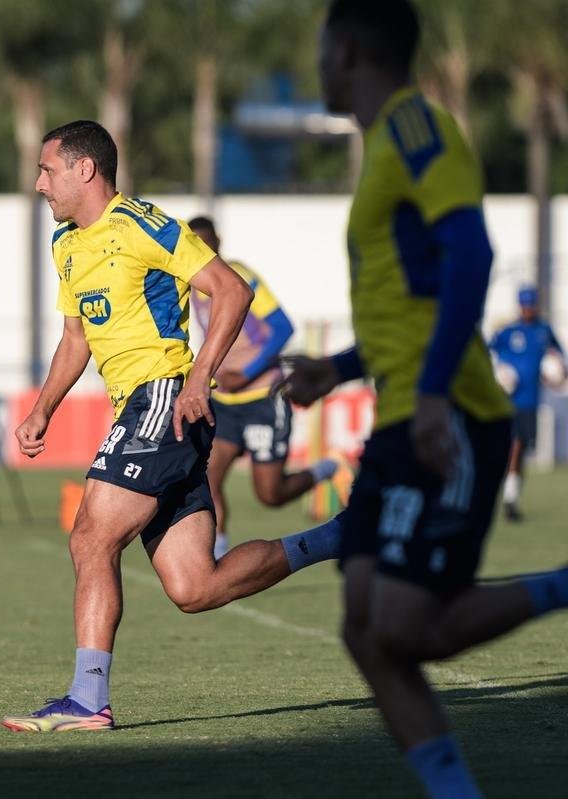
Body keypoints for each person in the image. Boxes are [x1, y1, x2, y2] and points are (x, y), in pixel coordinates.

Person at [284, 2, 568, 796]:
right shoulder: (383, 145)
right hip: (399, 417)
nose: (318, 61)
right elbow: (410, 305)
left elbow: (470, 256)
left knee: (408, 625)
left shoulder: (417, 130)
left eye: (321, 47)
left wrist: (437, 393)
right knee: (365, 628)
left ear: (346, 50)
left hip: (452, 416)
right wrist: (338, 368)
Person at [1, 120, 344, 733]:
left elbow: (231, 292)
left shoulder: (144, 224)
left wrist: (198, 377)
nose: (39, 184)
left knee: (90, 537)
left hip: (161, 398)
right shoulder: (66, 244)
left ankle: (87, 699)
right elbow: (75, 339)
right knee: (194, 587)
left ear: (85, 169)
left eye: (47, 170)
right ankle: (338, 537)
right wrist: (43, 408)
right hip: (148, 411)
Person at [187, 216, 342, 557]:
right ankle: (216, 558)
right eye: (194, 243)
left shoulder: (239, 276)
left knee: (270, 494)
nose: (200, 250)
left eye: (206, 242)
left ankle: (324, 469)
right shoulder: (192, 283)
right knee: (207, 479)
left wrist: (245, 373)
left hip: (262, 399)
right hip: (224, 403)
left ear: (218, 242)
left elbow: (282, 327)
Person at [488, 285, 566, 521]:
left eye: (531, 305)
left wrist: (555, 376)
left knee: (521, 452)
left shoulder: (543, 330)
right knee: (514, 446)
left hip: (531, 402)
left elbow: (558, 359)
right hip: (508, 402)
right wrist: (500, 373)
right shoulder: (509, 332)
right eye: (525, 305)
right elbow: (487, 353)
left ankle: (512, 497)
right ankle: (507, 498)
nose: (528, 309)